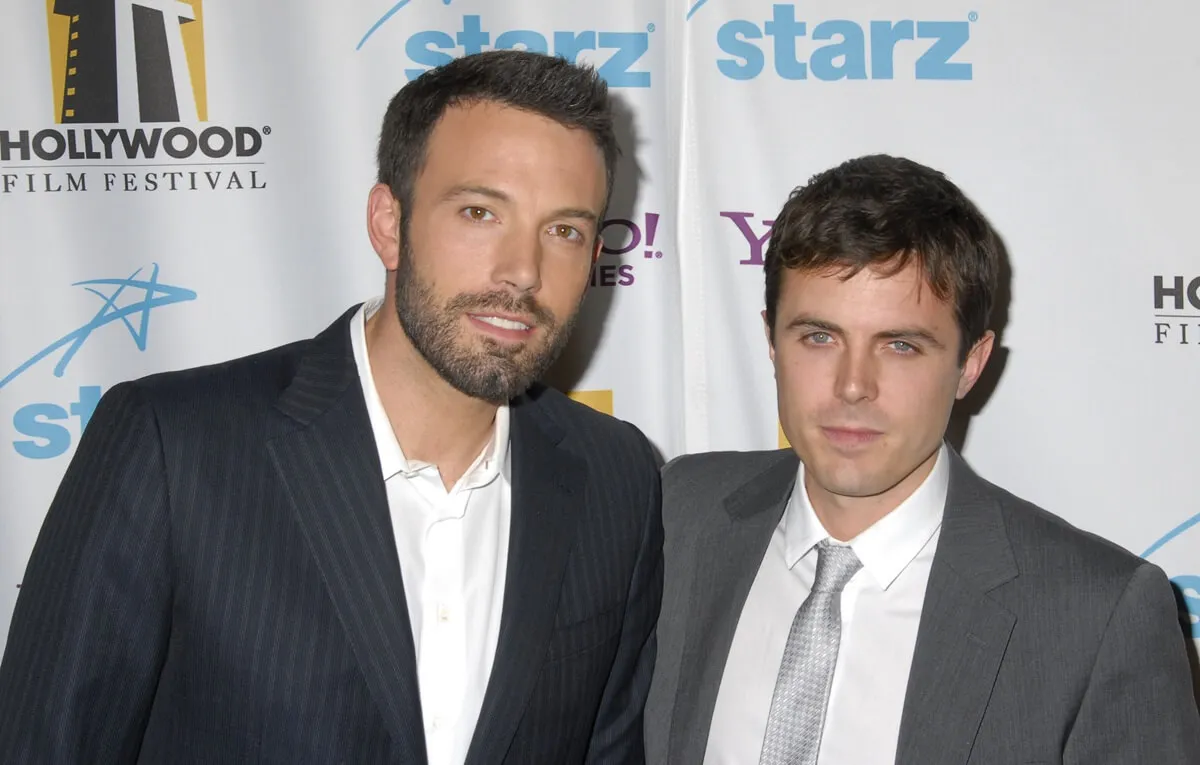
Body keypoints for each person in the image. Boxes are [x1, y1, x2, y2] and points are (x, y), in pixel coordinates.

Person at [0, 50, 663, 765]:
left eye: (563, 230)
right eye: (479, 211)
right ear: (388, 222)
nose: (524, 271)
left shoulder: (616, 475)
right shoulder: (172, 448)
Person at [644, 154, 1200, 764]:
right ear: (771, 341)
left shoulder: (1096, 617)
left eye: (901, 345)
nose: (853, 385)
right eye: (819, 337)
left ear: (971, 363)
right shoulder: (677, 514)